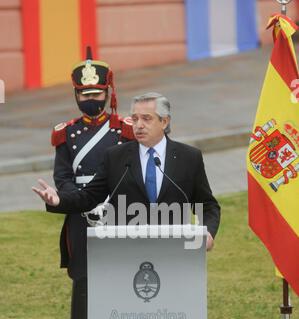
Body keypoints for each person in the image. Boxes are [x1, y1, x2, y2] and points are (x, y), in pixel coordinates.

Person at [33, 92, 220, 251]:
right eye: (135, 118)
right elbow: (89, 197)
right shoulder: (116, 157)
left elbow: (207, 205)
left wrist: (207, 233)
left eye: (146, 119)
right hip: (128, 250)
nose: (138, 125)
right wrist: (59, 199)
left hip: (176, 248)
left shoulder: (189, 157)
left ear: (164, 121)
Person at [50, 47, 134, 319]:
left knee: (118, 278)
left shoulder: (123, 129)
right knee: (82, 281)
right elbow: (62, 176)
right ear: (76, 94)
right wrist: (81, 202)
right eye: (85, 93)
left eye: (97, 92)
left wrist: (106, 204)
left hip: (115, 212)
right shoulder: (66, 133)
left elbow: (129, 172)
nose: (91, 98)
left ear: (108, 92)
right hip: (80, 215)